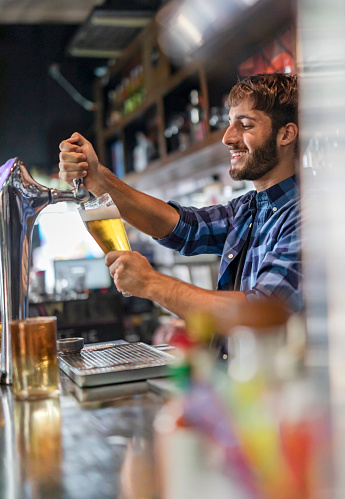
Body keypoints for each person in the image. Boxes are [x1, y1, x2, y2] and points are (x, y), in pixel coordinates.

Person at [59, 73, 301, 332]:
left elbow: (263, 311)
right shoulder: (249, 208)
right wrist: (97, 179)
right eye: (231, 123)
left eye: (245, 125)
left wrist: (151, 283)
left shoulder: (309, 216)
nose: (227, 137)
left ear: (285, 134)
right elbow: (186, 228)